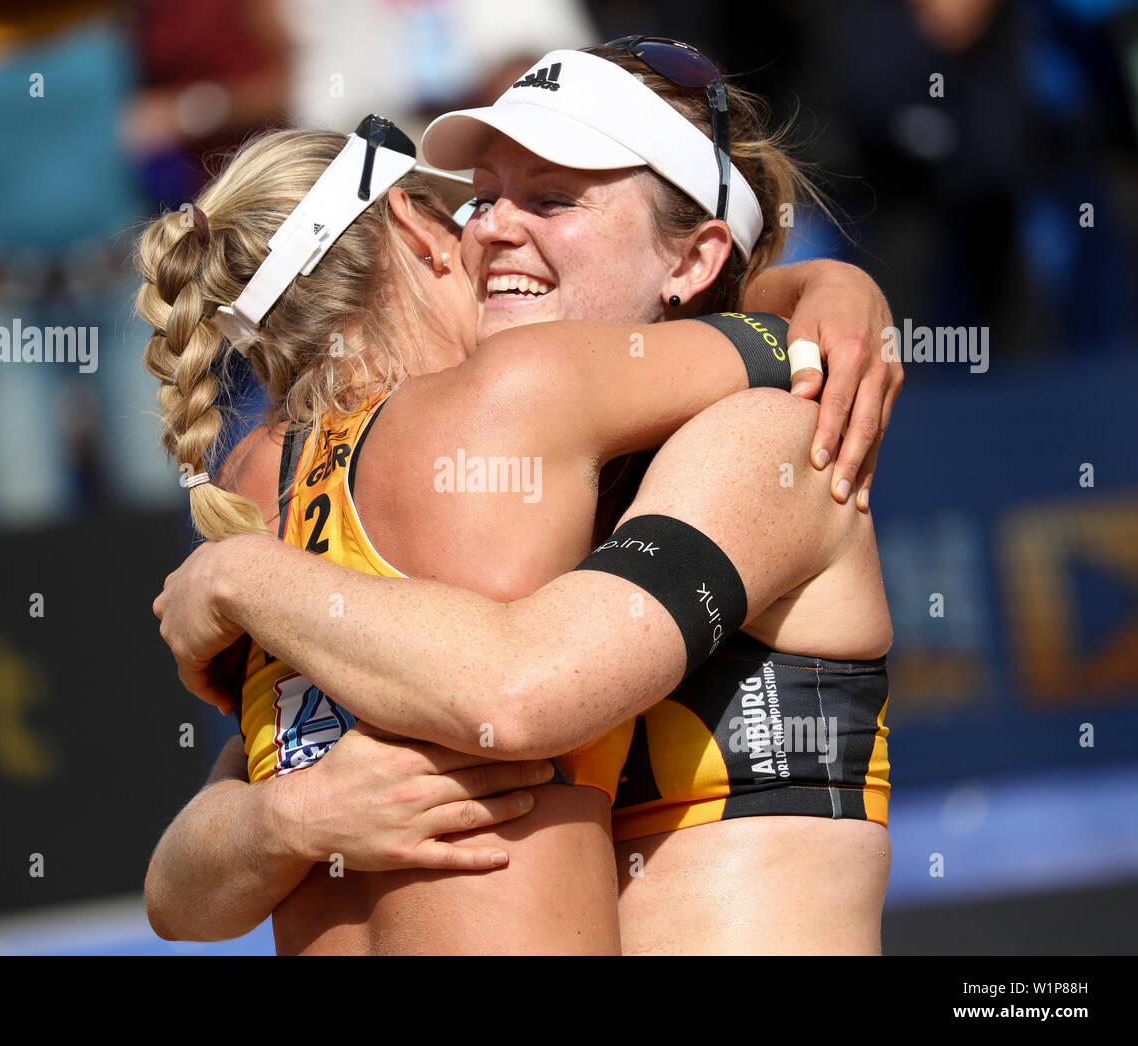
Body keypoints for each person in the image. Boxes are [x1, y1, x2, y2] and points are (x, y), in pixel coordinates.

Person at [143, 41, 901, 954]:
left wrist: (239, 574)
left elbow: (522, 692)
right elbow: (179, 895)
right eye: (480, 196)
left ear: (695, 259)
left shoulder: (765, 440)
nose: (494, 227)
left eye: (550, 199)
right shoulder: (504, 488)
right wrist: (288, 819)